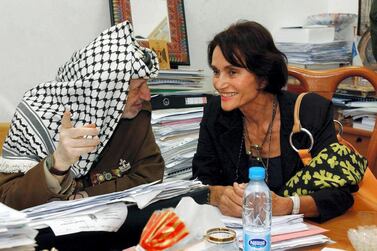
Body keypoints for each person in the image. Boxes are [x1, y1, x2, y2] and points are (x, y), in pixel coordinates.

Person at [192, 20, 365, 222]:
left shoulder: (310, 111)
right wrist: (219, 195)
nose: (219, 83)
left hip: (304, 233)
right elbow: (200, 181)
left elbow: (339, 195)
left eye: (232, 72)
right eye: (216, 71)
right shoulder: (215, 112)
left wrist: (288, 205)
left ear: (263, 77)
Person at [0, 21, 164, 210]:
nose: (146, 95)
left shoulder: (136, 115)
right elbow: (9, 203)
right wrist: (57, 164)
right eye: (136, 88)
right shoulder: (35, 119)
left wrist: (87, 196)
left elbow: (151, 175)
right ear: (104, 92)